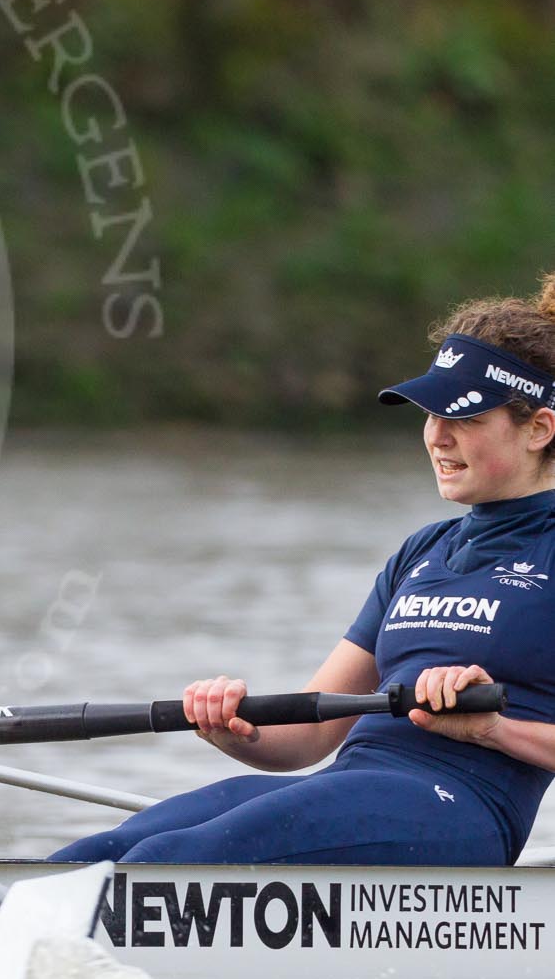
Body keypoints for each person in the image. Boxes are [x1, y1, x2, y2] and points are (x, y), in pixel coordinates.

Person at [56, 274, 555, 867]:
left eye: (465, 419)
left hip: (460, 810)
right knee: (93, 852)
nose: (437, 437)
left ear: (540, 429)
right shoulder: (424, 551)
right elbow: (311, 733)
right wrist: (232, 727)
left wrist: (494, 730)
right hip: (351, 788)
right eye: (430, 415)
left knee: (169, 857)